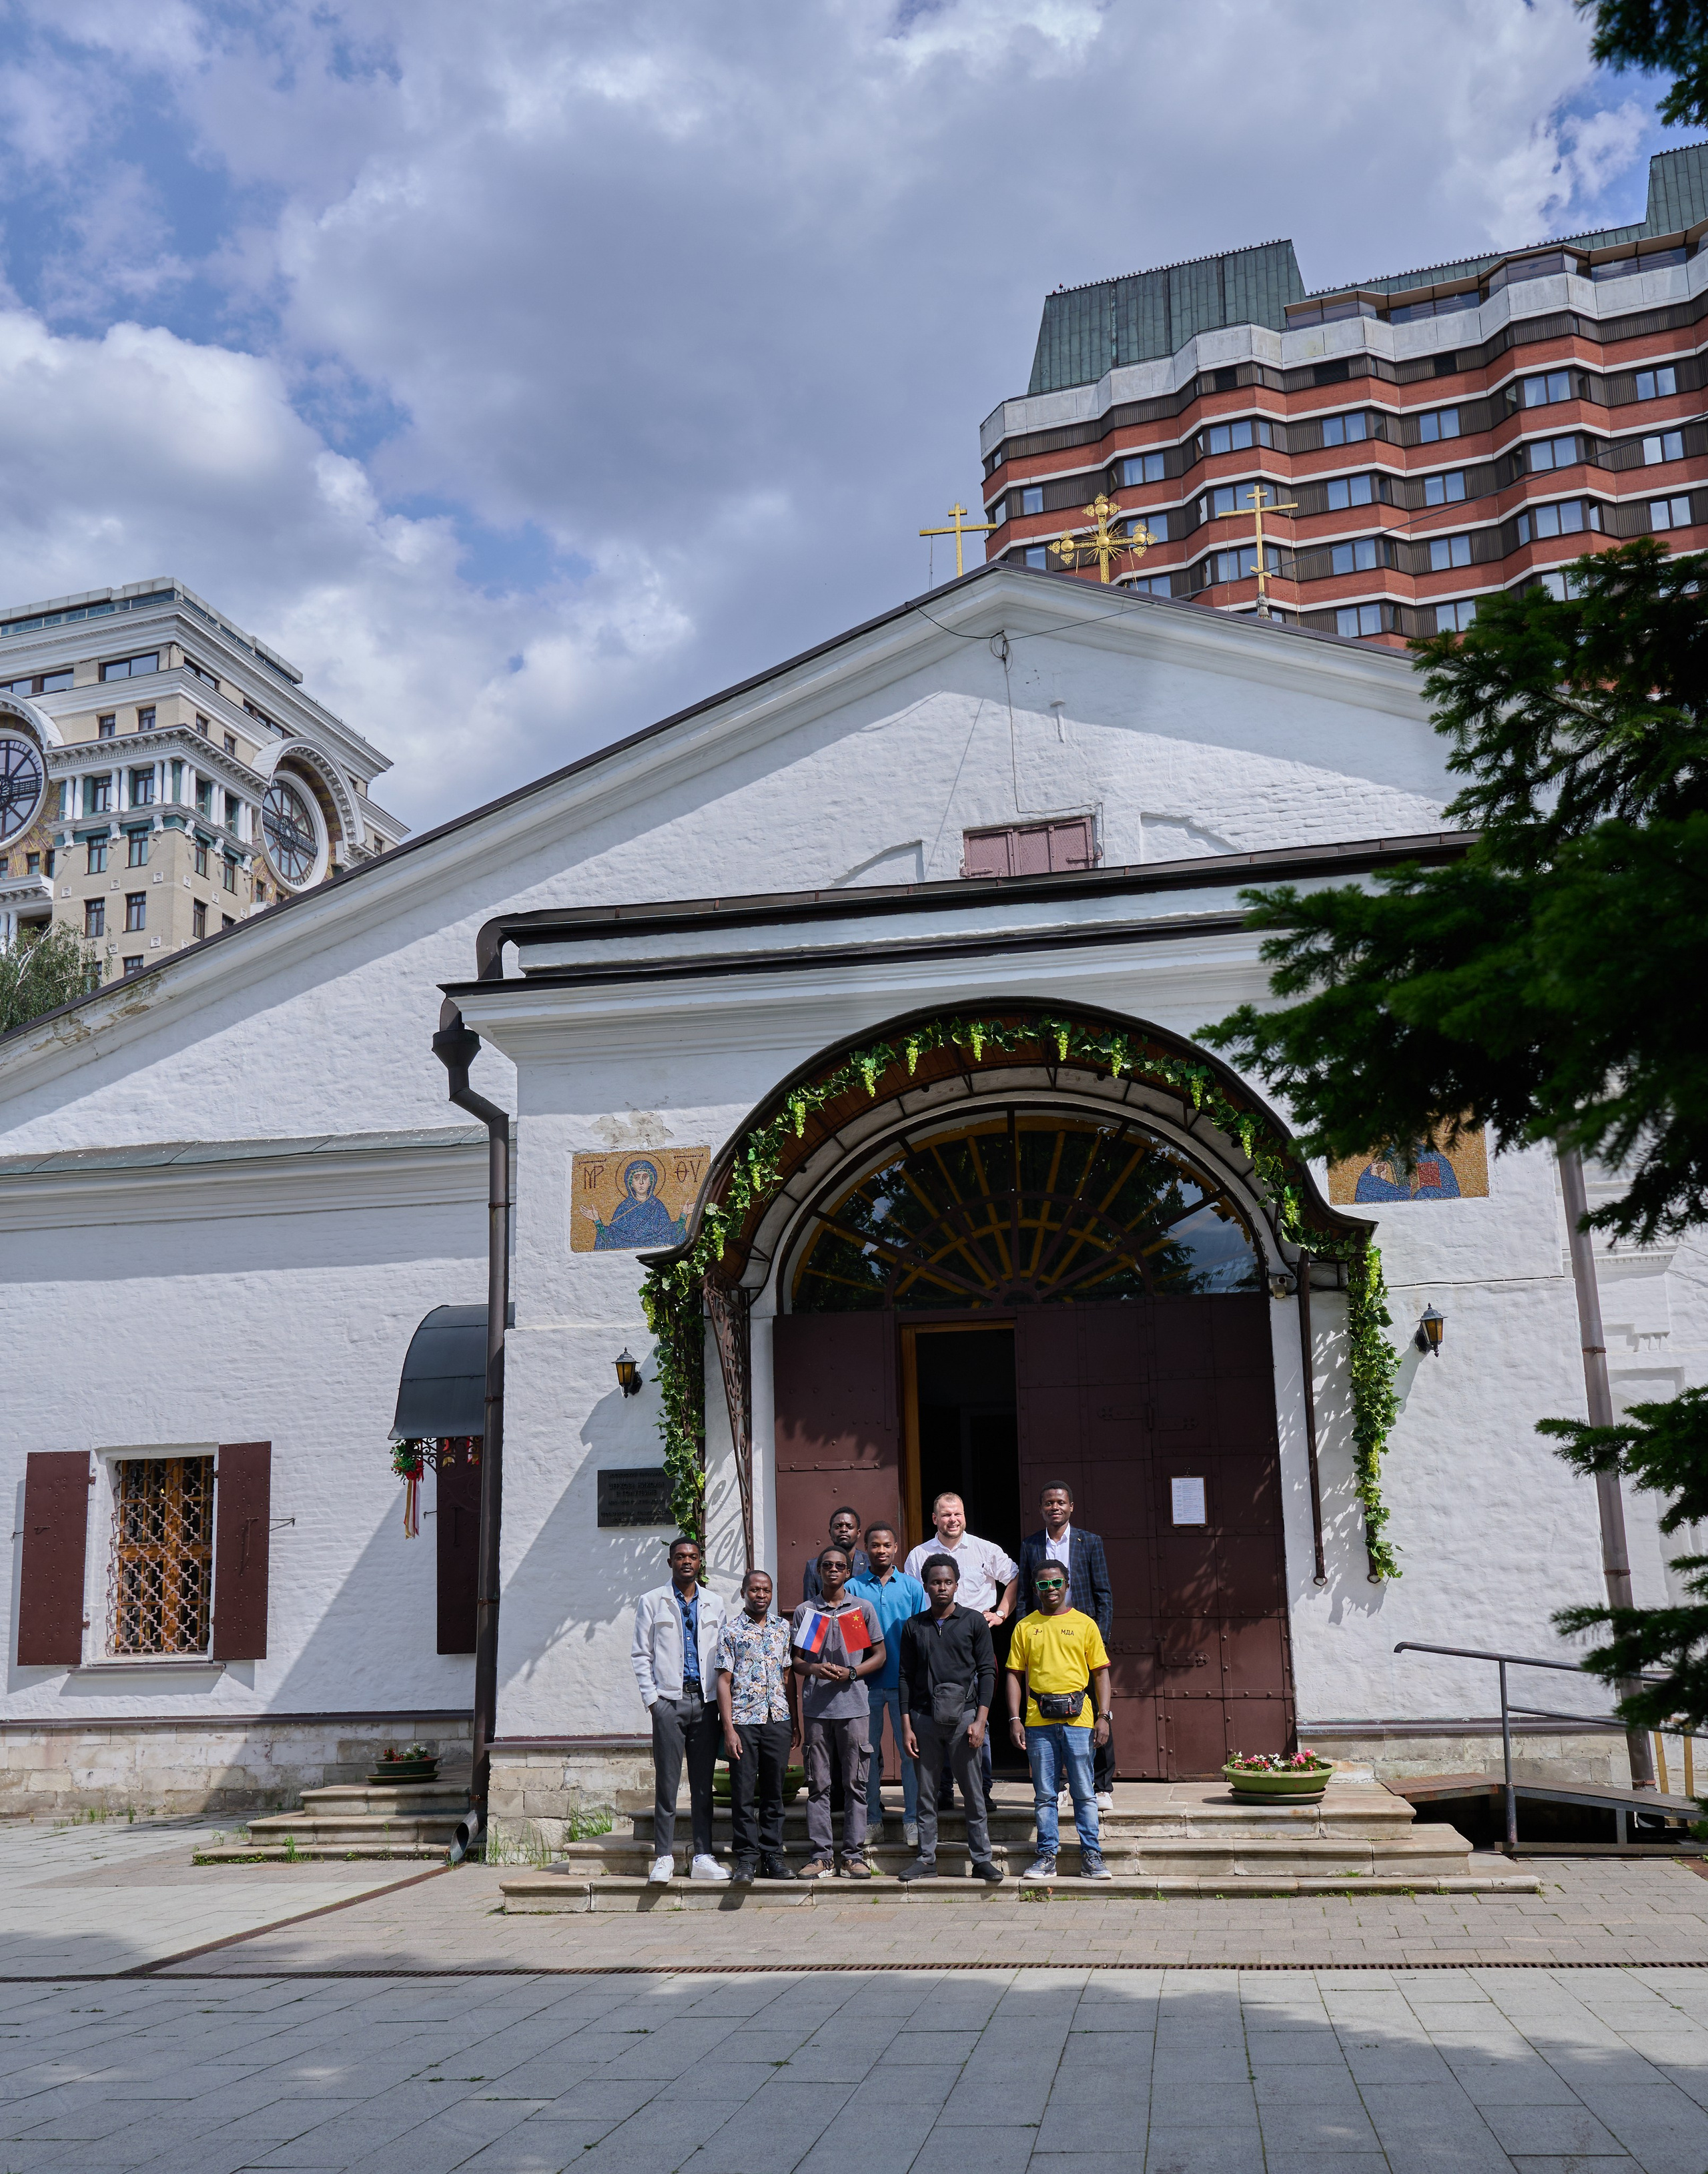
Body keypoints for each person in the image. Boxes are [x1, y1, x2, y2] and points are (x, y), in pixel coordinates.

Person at [903, 1493, 1017, 1804]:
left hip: (974, 1641)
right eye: (946, 1514)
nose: (953, 1520)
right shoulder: (918, 1555)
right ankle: (942, 1791)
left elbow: (1014, 1577)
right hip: (932, 1643)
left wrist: (1001, 1613)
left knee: (978, 1717)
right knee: (935, 1716)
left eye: (958, 1514)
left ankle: (982, 1791)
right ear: (935, 1519)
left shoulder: (985, 1549)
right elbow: (911, 1596)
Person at [630, 1534, 729, 1884]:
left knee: (703, 1785)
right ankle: (664, 1857)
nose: (687, 1561)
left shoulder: (715, 1603)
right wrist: (654, 1702)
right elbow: (641, 1655)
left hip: (705, 1704)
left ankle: (703, 1855)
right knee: (667, 1783)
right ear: (670, 1562)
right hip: (669, 1703)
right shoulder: (652, 1601)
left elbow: (724, 1655)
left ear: (700, 1562)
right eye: (680, 1557)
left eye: (693, 1556)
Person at [1006, 1559, 1113, 1880]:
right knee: (1044, 1794)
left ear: (1067, 1585)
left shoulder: (1085, 1625)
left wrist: (1104, 1716)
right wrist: (1014, 1717)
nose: (1050, 1589)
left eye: (1056, 1583)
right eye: (1043, 1584)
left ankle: (1092, 1856)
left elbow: (1101, 1674)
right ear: (1036, 1589)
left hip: (1079, 1718)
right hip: (1038, 1721)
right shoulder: (1025, 1627)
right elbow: (1014, 1675)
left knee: (1083, 1791)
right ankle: (1046, 1856)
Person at [897, 1554, 1001, 1884]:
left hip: (965, 1719)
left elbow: (988, 1672)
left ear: (957, 1585)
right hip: (924, 1719)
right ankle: (927, 1859)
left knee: (972, 1792)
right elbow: (904, 1676)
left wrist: (981, 1720)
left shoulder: (973, 1622)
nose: (942, 1587)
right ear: (925, 1586)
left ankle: (982, 1860)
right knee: (925, 1795)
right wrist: (906, 1724)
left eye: (948, 1582)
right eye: (935, 1582)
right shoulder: (914, 1626)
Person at [1019, 1483, 1117, 1810]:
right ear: (1042, 1508)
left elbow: (1103, 1593)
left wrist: (1098, 1638)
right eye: (1048, 1503)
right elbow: (1023, 1596)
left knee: (1096, 1710)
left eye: (1060, 1502)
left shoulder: (1089, 1542)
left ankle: (1102, 1786)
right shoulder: (1031, 1544)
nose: (1054, 1507)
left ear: (1071, 1506)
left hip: (1083, 1637)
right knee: (1049, 1710)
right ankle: (1060, 1785)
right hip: (1044, 1635)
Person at [790, 1546, 885, 1878]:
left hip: (855, 1707)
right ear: (819, 1570)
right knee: (818, 1785)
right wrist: (814, 1670)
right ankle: (821, 1856)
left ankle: (854, 1855)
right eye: (827, 1565)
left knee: (856, 1783)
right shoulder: (807, 1611)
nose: (833, 1570)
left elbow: (879, 1655)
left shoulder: (860, 1609)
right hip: (817, 1710)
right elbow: (797, 1661)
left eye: (840, 1566)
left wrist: (853, 1673)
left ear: (848, 1572)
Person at [714, 1567, 799, 1882]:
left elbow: (788, 1676)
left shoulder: (782, 1628)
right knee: (743, 1793)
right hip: (744, 1723)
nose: (760, 1595)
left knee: (775, 1793)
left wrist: (795, 1721)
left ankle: (773, 1856)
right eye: (754, 1590)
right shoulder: (731, 1631)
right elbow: (724, 1681)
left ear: (771, 1593)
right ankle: (747, 1860)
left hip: (778, 1719)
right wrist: (728, 1728)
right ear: (743, 1593)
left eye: (766, 1590)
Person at [847, 1524, 926, 1849]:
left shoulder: (911, 1587)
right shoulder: (853, 1587)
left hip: (904, 1683)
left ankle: (912, 1820)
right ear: (867, 1549)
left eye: (887, 1545)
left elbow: (922, 1636)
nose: (881, 1550)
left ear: (897, 1548)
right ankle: (872, 1820)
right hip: (865, 1685)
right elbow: (854, 1641)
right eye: (875, 1546)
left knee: (910, 1754)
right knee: (868, 1754)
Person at [801, 1505, 873, 1603]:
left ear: (858, 1533)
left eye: (849, 1526)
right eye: (838, 1526)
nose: (844, 1530)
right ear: (830, 1532)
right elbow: (809, 1607)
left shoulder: (870, 1563)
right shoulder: (813, 1566)